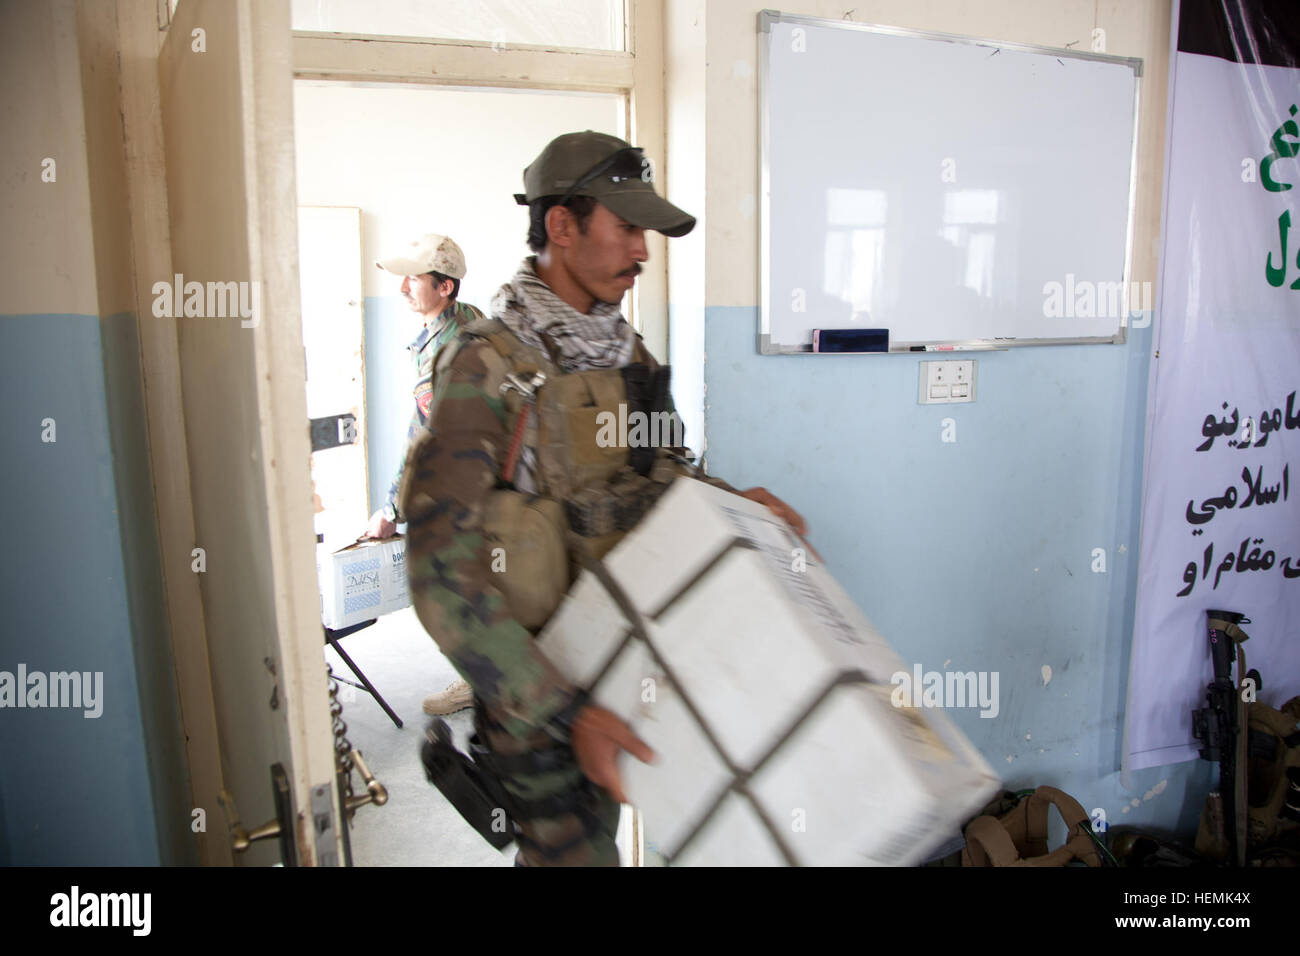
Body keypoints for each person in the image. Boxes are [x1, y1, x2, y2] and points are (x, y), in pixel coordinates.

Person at [401, 131, 806, 866]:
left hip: (631, 666)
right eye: (627, 226)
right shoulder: (484, 371)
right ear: (562, 225)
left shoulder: (630, 357)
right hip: (536, 706)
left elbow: (664, 478)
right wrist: (565, 712)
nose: (644, 250)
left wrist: (738, 508)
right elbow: (437, 577)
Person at [362, 234, 486, 718]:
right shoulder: (469, 319)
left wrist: (393, 508)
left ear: (445, 287)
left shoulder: (446, 349)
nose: (402, 289)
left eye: (414, 279)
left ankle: (481, 681)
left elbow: (426, 435)